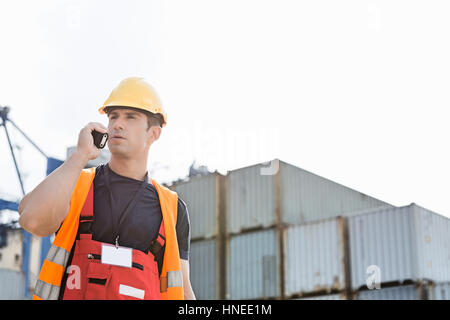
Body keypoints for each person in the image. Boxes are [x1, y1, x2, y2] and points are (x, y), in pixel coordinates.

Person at [18, 77, 196, 300]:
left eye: (130, 117)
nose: (117, 124)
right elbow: (32, 221)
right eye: (113, 116)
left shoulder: (172, 209)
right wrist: (80, 156)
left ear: (154, 133)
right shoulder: (77, 184)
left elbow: (184, 288)